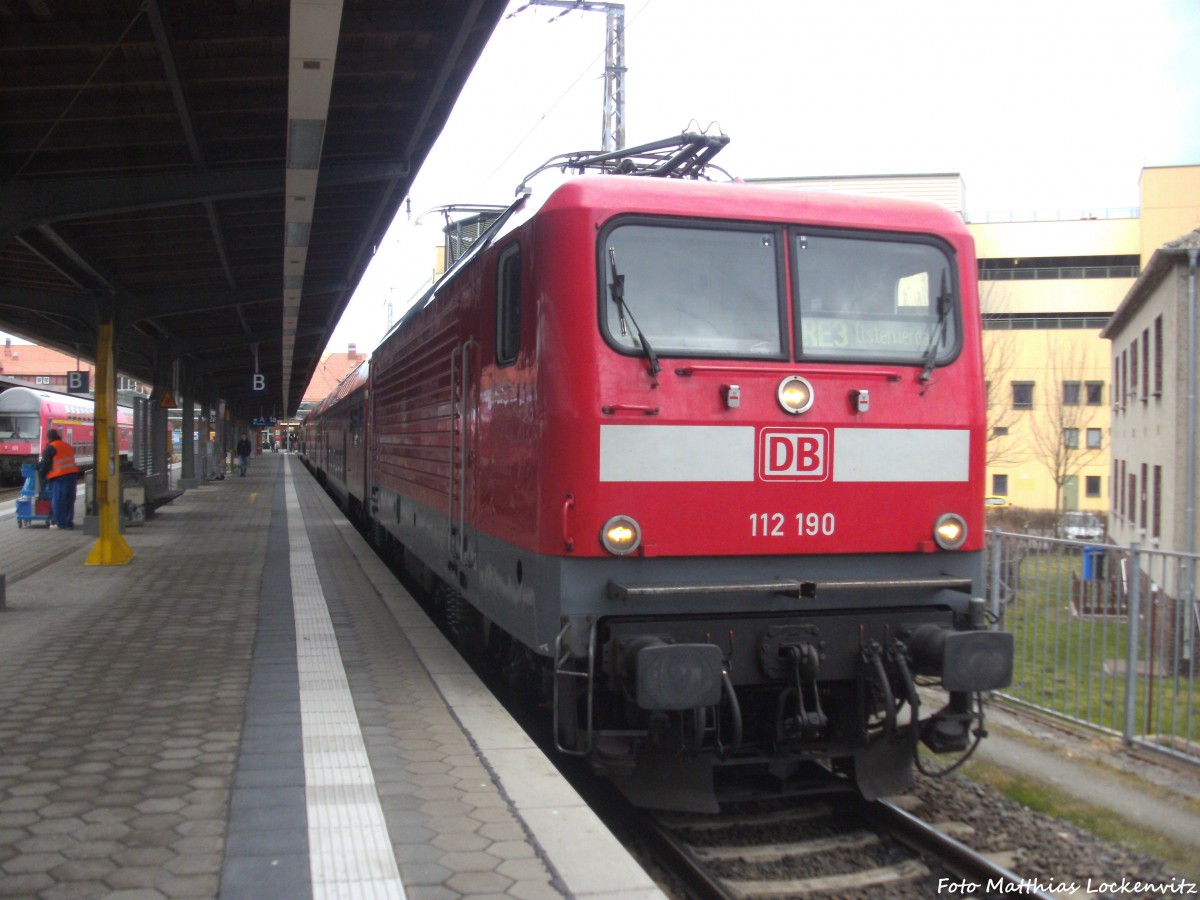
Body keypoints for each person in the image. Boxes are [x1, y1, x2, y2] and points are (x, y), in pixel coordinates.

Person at [37, 427, 80, 530]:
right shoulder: (67, 446)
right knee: (70, 500)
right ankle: (69, 522)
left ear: (48, 438)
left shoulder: (50, 447)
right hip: (72, 475)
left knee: (59, 501)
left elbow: (45, 465)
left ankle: (61, 523)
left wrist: (41, 475)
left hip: (60, 477)